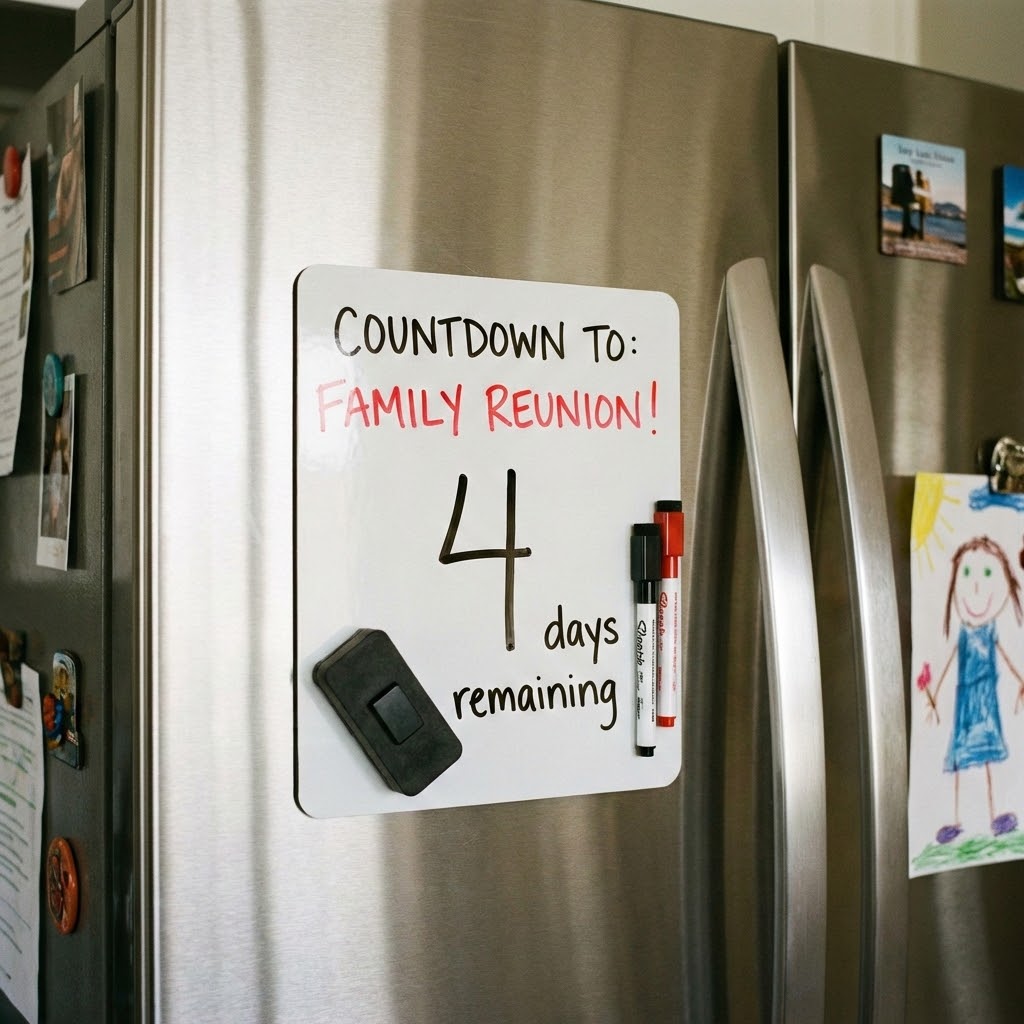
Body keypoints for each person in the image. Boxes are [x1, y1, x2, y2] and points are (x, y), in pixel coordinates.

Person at [920, 536, 1024, 843]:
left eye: (988, 575)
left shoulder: (991, 630)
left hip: (987, 700)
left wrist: (1020, 680)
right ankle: (954, 819)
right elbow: (950, 662)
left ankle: (996, 816)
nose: (976, 587)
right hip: (967, 702)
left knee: (989, 756)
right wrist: (933, 696)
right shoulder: (963, 634)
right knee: (961, 759)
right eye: (967, 575)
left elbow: (1005, 657)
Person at [913, 168, 933, 240]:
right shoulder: (925, 182)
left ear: (918, 175)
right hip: (926, 206)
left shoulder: (920, 182)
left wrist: (915, 203)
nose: (916, 177)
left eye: (916, 175)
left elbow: (919, 195)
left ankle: (921, 236)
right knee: (922, 221)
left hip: (923, 206)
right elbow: (928, 194)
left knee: (921, 222)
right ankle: (920, 235)